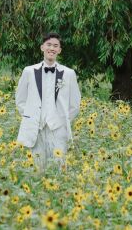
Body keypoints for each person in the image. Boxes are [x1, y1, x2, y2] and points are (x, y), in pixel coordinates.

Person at [15, 32, 81, 168]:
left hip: (58, 129)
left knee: (59, 168)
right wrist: (31, 117)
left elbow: (75, 104)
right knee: (36, 168)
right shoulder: (29, 71)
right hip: (35, 129)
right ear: (42, 47)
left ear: (59, 50)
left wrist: (62, 121)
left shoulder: (69, 74)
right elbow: (20, 100)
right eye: (49, 45)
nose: (52, 48)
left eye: (55, 46)